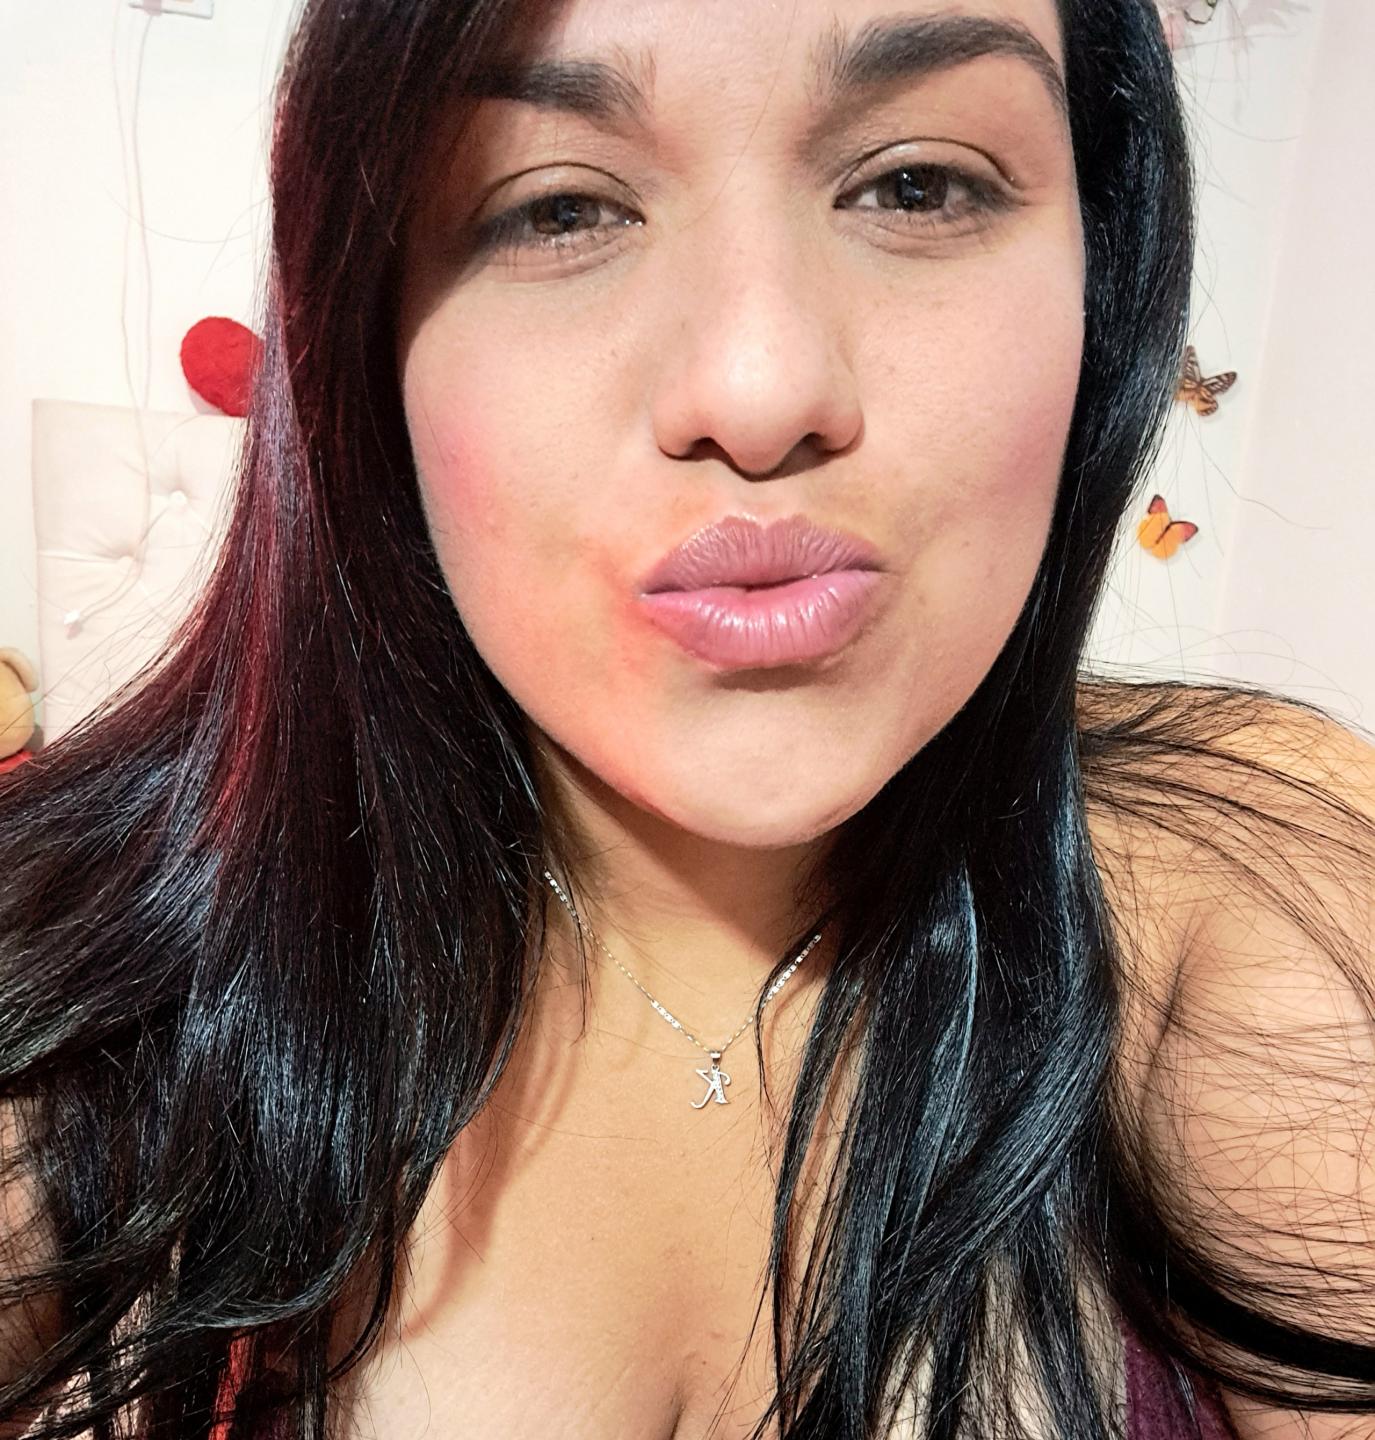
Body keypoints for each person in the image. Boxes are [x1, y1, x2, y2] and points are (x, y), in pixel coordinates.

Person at [2, 0, 1373, 1436]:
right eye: (560, 207)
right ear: (368, 325)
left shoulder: (1257, 872)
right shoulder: (83, 999)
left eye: (919, 185)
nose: (761, 391)